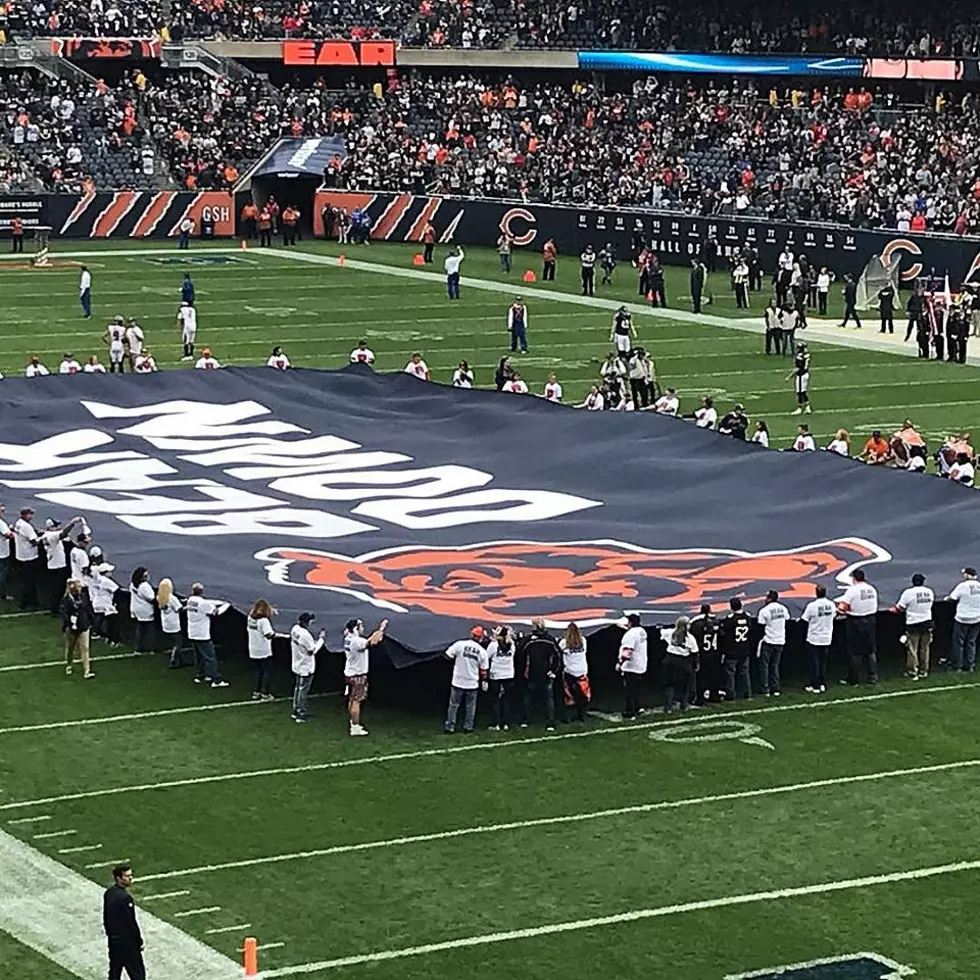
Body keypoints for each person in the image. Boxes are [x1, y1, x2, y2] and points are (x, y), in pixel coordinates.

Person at [342, 617, 387, 736]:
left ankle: (353, 722)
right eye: (361, 626)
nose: (363, 628)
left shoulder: (348, 639)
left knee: (352, 699)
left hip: (349, 673)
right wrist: (381, 628)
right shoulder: (357, 641)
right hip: (358, 675)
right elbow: (373, 642)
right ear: (356, 628)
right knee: (357, 701)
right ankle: (355, 727)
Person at [444, 625, 489, 734]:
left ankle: (450, 727)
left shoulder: (460, 644)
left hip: (458, 680)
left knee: (454, 705)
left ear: (471, 634)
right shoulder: (482, 651)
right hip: (472, 682)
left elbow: (447, 656)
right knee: (470, 706)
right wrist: (484, 681)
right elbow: (484, 670)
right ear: (481, 637)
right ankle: (468, 727)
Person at [103, 864, 145, 980]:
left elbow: (106, 917)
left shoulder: (109, 893)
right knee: (137, 974)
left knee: (115, 972)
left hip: (114, 940)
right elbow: (130, 922)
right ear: (119, 878)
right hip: (127, 943)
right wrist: (138, 940)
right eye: (127, 876)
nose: (130, 878)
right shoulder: (125, 898)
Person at [837, 569, 878, 685]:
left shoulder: (852, 590)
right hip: (870, 620)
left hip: (855, 621)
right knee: (870, 650)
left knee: (854, 651)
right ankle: (873, 676)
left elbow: (843, 606)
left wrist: (839, 610)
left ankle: (854, 678)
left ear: (854, 578)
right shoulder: (871, 589)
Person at [518, 619, 561, 729]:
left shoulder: (528, 641)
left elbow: (520, 655)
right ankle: (550, 722)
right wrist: (553, 670)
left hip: (532, 673)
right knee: (548, 699)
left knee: (528, 697)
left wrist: (523, 671)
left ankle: (525, 720)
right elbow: (558, 656)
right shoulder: (550, 640)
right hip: (546, 673)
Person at [186, 582, 229, 687]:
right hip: (202, 634)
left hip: (192, 632)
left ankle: (200, 675)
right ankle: (216, 679)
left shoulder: (190, 600)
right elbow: (216, 612)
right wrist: (227, 605)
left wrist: (219, 602)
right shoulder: (203, 604)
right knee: (210, 657)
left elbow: (206, 602)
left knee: (199, 656)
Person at [892, 574, 934, 680]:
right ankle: (924, 671)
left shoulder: (908, 593)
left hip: (913, 624)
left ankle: (913, 671)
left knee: (912, 649)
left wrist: (894, 610)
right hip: (927, 622)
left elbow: (900, 607)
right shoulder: (929, 592)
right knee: (925, 648)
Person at [40, 515, 81, 614]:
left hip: (53, 564)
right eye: (55, 526)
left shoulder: (46, 535)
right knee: (58, 589)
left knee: (56, 588)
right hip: (57, 566)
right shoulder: (52, 535)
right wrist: (72, 523)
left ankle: (55, 606)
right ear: (51, 527)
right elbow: (63, 533)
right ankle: (55, 608)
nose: (57, 528)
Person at [289, 612, 322, 723]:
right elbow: (312, 650)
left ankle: (296, 710)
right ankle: (301, 713)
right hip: (305, 666)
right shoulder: (305, 635)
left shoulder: (295, 629)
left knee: (298, 688)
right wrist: (321, 640)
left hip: (297, 663)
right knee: (303, 690)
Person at [801, 584, 835, 693]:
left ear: (816, 593)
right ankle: (822, 684)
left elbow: (804, 619)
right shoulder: (831, 604)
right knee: (823, 663)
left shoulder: (812, 606)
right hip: (826, 638)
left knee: (814, 663)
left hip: (814, 638)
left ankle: (815, 685)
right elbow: (834, 616)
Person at [661, 616, 698, 714]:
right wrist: (695, 665)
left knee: (669, 685)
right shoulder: (690, 638)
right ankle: (684, 705)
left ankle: (668, 707)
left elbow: (661, 632)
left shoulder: (670, 633)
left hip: (670, 660)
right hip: (683, 662)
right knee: (684, 685)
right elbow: (695, 652)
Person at [945, 568, 980, 672]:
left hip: (962, 618)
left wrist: (946, 599)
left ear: (968, 575)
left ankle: (957, 666)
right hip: (977, 618)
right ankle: (970, 665)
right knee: (971, 642)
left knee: (958, 643)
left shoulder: (963, 586)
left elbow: (953, 598)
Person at [756, 590, 789, 696]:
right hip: (780, 640)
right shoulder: (783, 608)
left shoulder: (764, 611)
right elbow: (787, 619)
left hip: (769, 640)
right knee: (775, 665)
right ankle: (776, 688)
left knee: (764, 666)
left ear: (769, 598)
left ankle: (765, 688)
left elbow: (760, 626)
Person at [688, 604, 722, 704]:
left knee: (701, 677)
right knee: (714, 675)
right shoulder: (716, 621)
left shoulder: (697, 623)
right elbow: (721, 635)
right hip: (714, 652)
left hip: (703, 654)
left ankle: (700, 698)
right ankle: (714, 695)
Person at [246, 598, 279, 700]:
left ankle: (257, 691)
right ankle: (266, 693)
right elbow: (269, 634)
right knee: (267, 672)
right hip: (263, 650)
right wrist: (280, 635)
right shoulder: (264, 621)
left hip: (253, 649)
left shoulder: (250, 618)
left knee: (258, 671)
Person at [61, 578, 94, 679]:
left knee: (85, 648)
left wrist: (92, 620)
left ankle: (87, 671)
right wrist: (68, 624)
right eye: (78, 586)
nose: (81, 588)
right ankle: (69, 664)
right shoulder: (67, 600)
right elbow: (64, 613)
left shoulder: (83, 597)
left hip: (84, 625)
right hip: (72, 627)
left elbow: (88, 608)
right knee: (71, 648)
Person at [721, 597, 753, 700]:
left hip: (732, 650)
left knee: (730, 674)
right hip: (744, 649)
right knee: (745, 673)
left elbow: (724, 633)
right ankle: (747, 693)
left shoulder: (730, 619)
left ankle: (731, 695)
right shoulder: (747, 617)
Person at [617, 612, 648, 719]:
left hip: (631, 666)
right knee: (636, 689)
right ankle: (638, 707)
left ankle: (630, 711)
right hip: (641, 665)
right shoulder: (641, 631)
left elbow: (627, 652)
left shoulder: (630, 635)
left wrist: (620, 663)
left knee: (630, 690)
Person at [559, 622, 590, 722]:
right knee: (582, 692)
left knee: (568, 692)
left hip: (570, 671)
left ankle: (567, 715)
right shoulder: (583, 641)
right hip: (582, 670)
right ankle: (581, 715)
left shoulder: (564, 643)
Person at [487, 625, 516, 730]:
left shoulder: (493, 645)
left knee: (495, 700)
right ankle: (506, 723)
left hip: (496, 675)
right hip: (508, 674)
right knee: (506, 700)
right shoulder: (512, 645)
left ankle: (496, 723)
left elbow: (487, 657)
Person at [13, 506, 41, 609]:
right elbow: (34, 541)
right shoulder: (27, 527)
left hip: (21, 555)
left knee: (25, 581)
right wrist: (41, 538)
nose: (31, 516)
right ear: (25, 515)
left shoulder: (18, 523)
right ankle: (27, 602)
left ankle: (29, 601)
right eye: (30, 514)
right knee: (30, 581)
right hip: (29, 557)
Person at [157, 577, 186, 668]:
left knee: (175, 642)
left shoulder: (159, 597)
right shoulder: (171, 598)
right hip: (174, 624)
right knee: (178, 643)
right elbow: (179, 609)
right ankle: (173, 660)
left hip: (166, 623)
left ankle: (181, 661)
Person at [129, 567, 155, 654]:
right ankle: (150, 648)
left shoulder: (133, 584)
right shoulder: (145, 586)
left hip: (136, 608)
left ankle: (138, 648)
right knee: (149, 630)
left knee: (139, 629)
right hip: (145, 610)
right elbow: (151, 598)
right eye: (146, 575)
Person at [789, 342, 812, 414]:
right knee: (803, 392)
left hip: (801, 375)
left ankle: (799, 408)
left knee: (800, 392)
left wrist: (790, 376)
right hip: (806, 374)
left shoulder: (800, 356)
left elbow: (798, 368)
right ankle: (807, 407)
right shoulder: (807, 355)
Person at [0, 502, 12, 601]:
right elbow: (8, 535)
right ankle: (2, 594)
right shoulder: (1, 523)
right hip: (2, 553)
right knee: (2, 575)